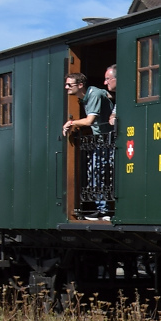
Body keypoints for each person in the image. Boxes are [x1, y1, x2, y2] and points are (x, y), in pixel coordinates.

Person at [62, 72, 114, 220]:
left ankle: (103, 210)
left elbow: (89, 121)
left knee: (98, 173)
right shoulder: (93, 94)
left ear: (80, 85)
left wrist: (71, 123)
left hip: (106, 139)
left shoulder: (93, 95)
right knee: (98, 173)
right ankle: (102, 209)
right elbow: (107, 95)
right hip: (102, 140)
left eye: (69, 85)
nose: (66, 87)